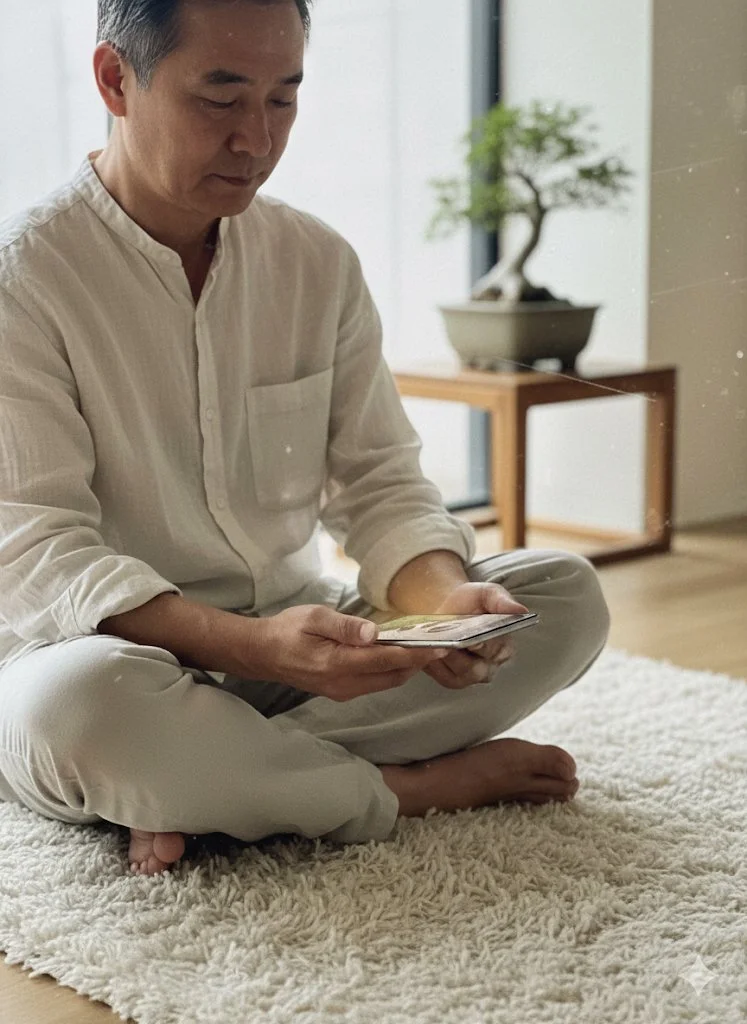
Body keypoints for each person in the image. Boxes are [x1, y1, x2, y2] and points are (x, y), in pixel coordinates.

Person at [0, 0, 611, 877]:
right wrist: (247, 645)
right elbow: (41, 554)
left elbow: (380, 484)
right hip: (102, 659)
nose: (256, 139)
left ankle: (213, 787)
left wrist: (441, 603)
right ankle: (405, 788)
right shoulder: (23, 280)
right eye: (221, 98)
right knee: (80, 711)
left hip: (295, 648)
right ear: (114, 80)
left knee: (562, 597)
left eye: (282, 98)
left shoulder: (316, 263)